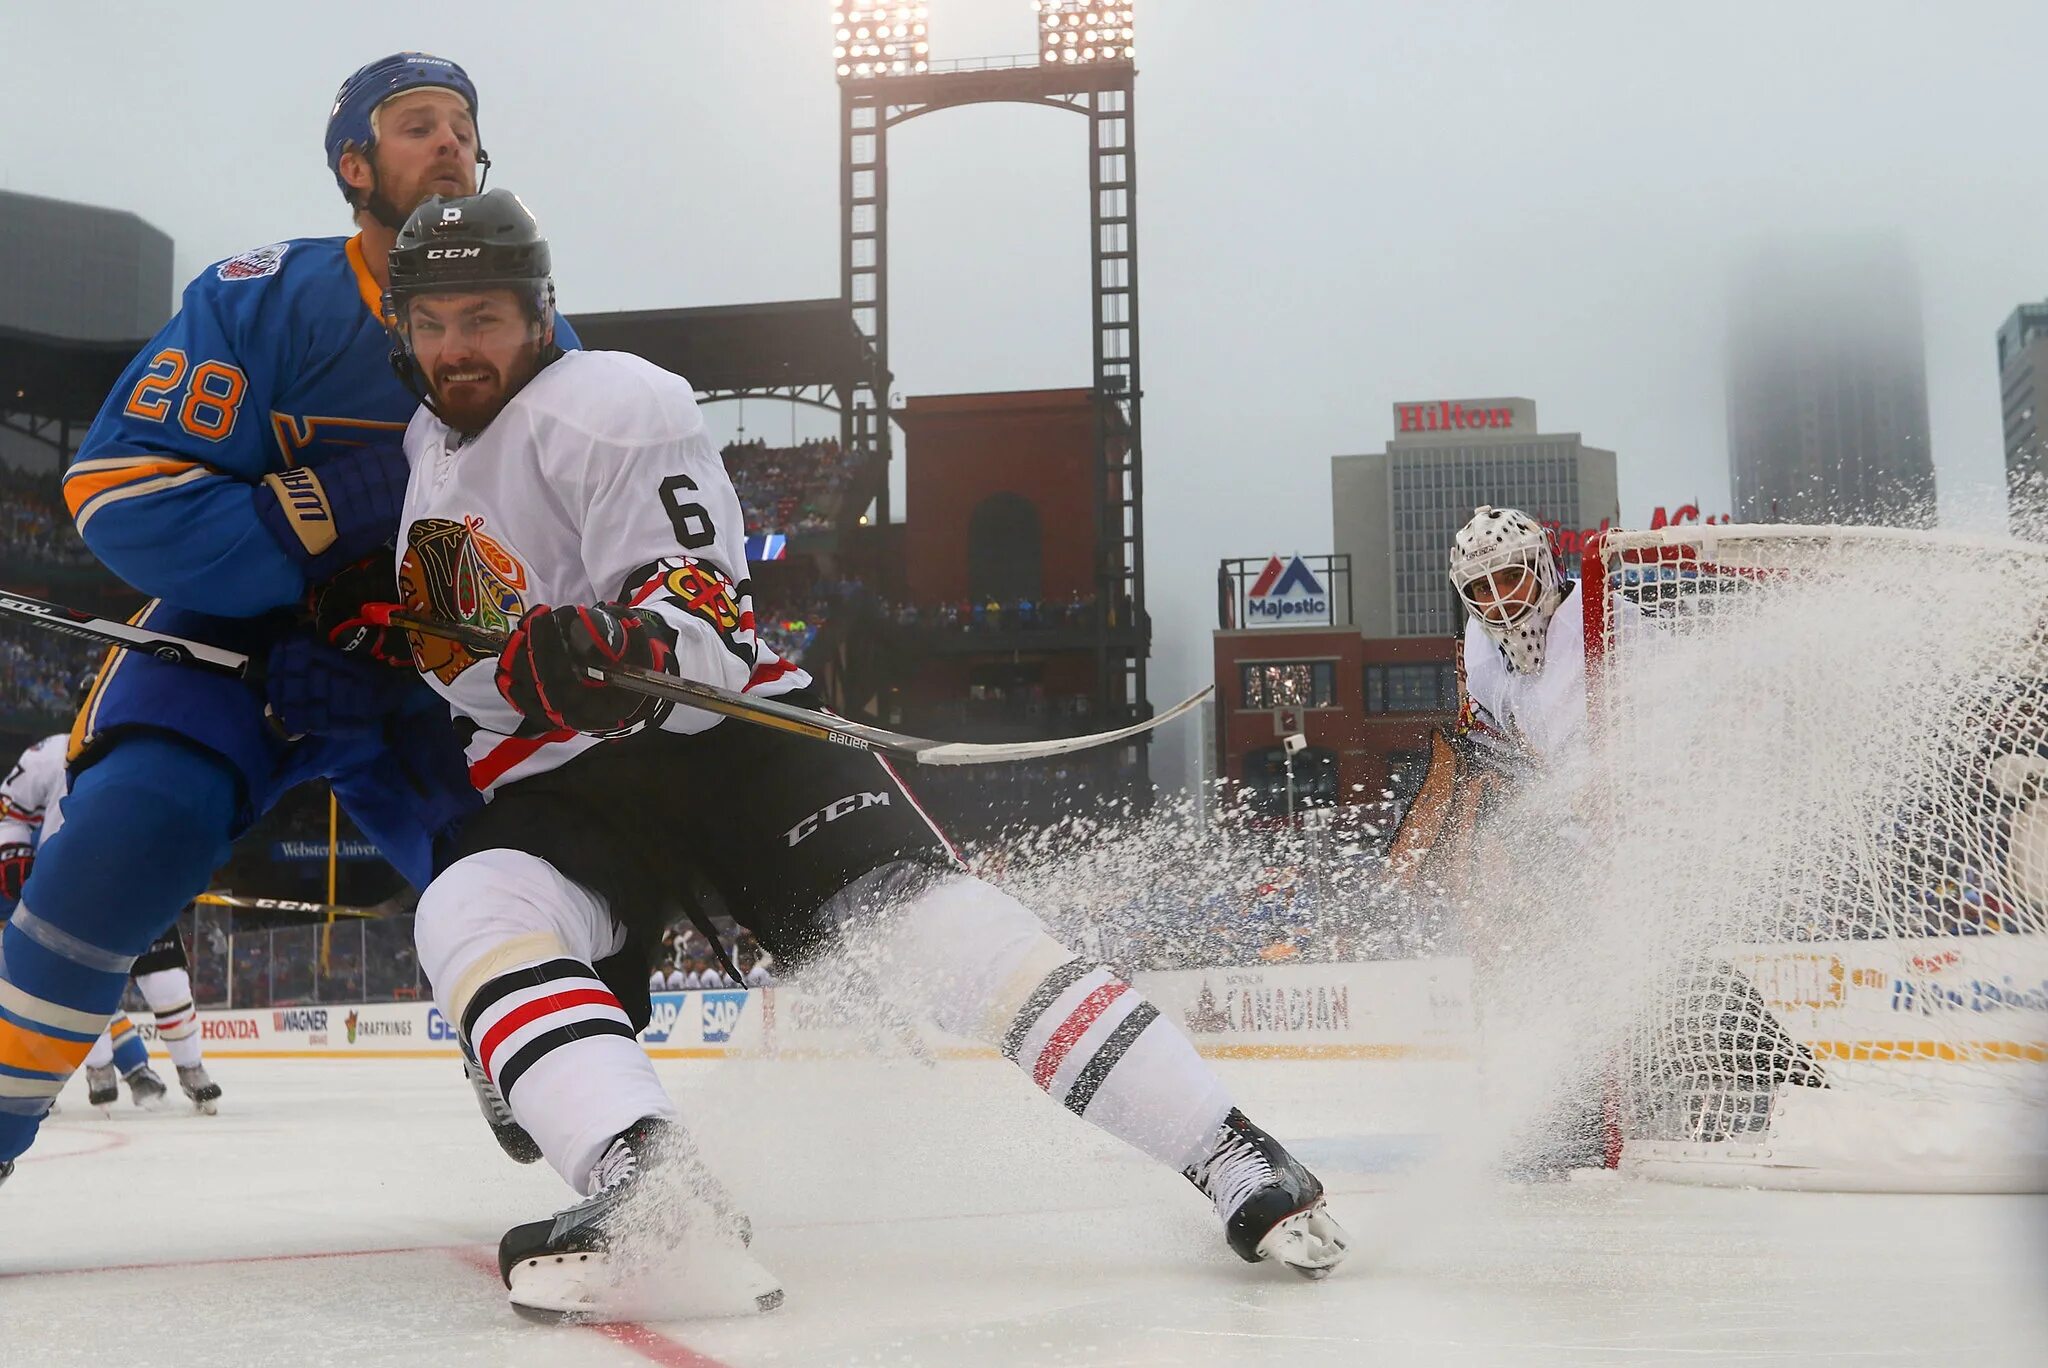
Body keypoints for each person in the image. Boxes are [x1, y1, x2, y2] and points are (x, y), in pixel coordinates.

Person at [381, 190, 1349, 1321]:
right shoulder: (424, 443)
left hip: (722, 743)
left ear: (540, 314)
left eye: (483, 317)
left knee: (935, 931)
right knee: (466, 912)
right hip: (560, 783)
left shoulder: (610, 400)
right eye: (434, 320)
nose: (457, 347)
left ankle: (1231, 1155)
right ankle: (648, 1188)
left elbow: (703, 605)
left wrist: (629, 639)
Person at [0, 52, 578, 1192]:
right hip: (236, 649)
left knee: (531, 887)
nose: (451, 143)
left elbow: (567, 547)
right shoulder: (258, 297)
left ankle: (594, 1121)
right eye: (418, 126)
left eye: (462, 125)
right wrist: (311, 531)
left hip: (430, 670)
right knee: (110, 858)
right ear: (354, 165)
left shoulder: (552, 345)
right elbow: (118, 492)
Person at [1390, 505, 1824, 1171]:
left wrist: (1637, 781)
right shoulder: (1479, 653)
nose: (1498, 600)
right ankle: (1597, 1110)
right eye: (1479, 589)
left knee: (1650, 968)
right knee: (1587, 979)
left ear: (1540, 568)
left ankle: (1777, 1077)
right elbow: (1500, 747)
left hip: (1650, 828)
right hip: (1567, 842)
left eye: (1509, 578)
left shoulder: (1613, 621)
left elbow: (1693, 710)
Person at [1, 717, 216, 1112]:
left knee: (166, 980)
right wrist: (13, 849)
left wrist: (184, 867)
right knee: (74, 990)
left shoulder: (154, 756)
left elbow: (181, 821)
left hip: (141, 881)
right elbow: (12, 809)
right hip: (69, 888)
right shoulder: (51, 752)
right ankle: (103, 1070)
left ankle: (190, 1068)